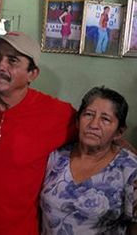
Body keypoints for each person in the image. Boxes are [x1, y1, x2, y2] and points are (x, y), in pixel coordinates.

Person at [0, 32, 77, 235]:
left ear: (32, 74)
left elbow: (100, 135)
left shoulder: (56, 113)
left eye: (12, 60)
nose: (0, 66)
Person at [40, 86, 137, 235]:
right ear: (78, 121)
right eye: (89, 114)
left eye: (105, 119)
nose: (93, 125)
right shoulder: (57, 156)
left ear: (119, 132)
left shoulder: (130, 169)